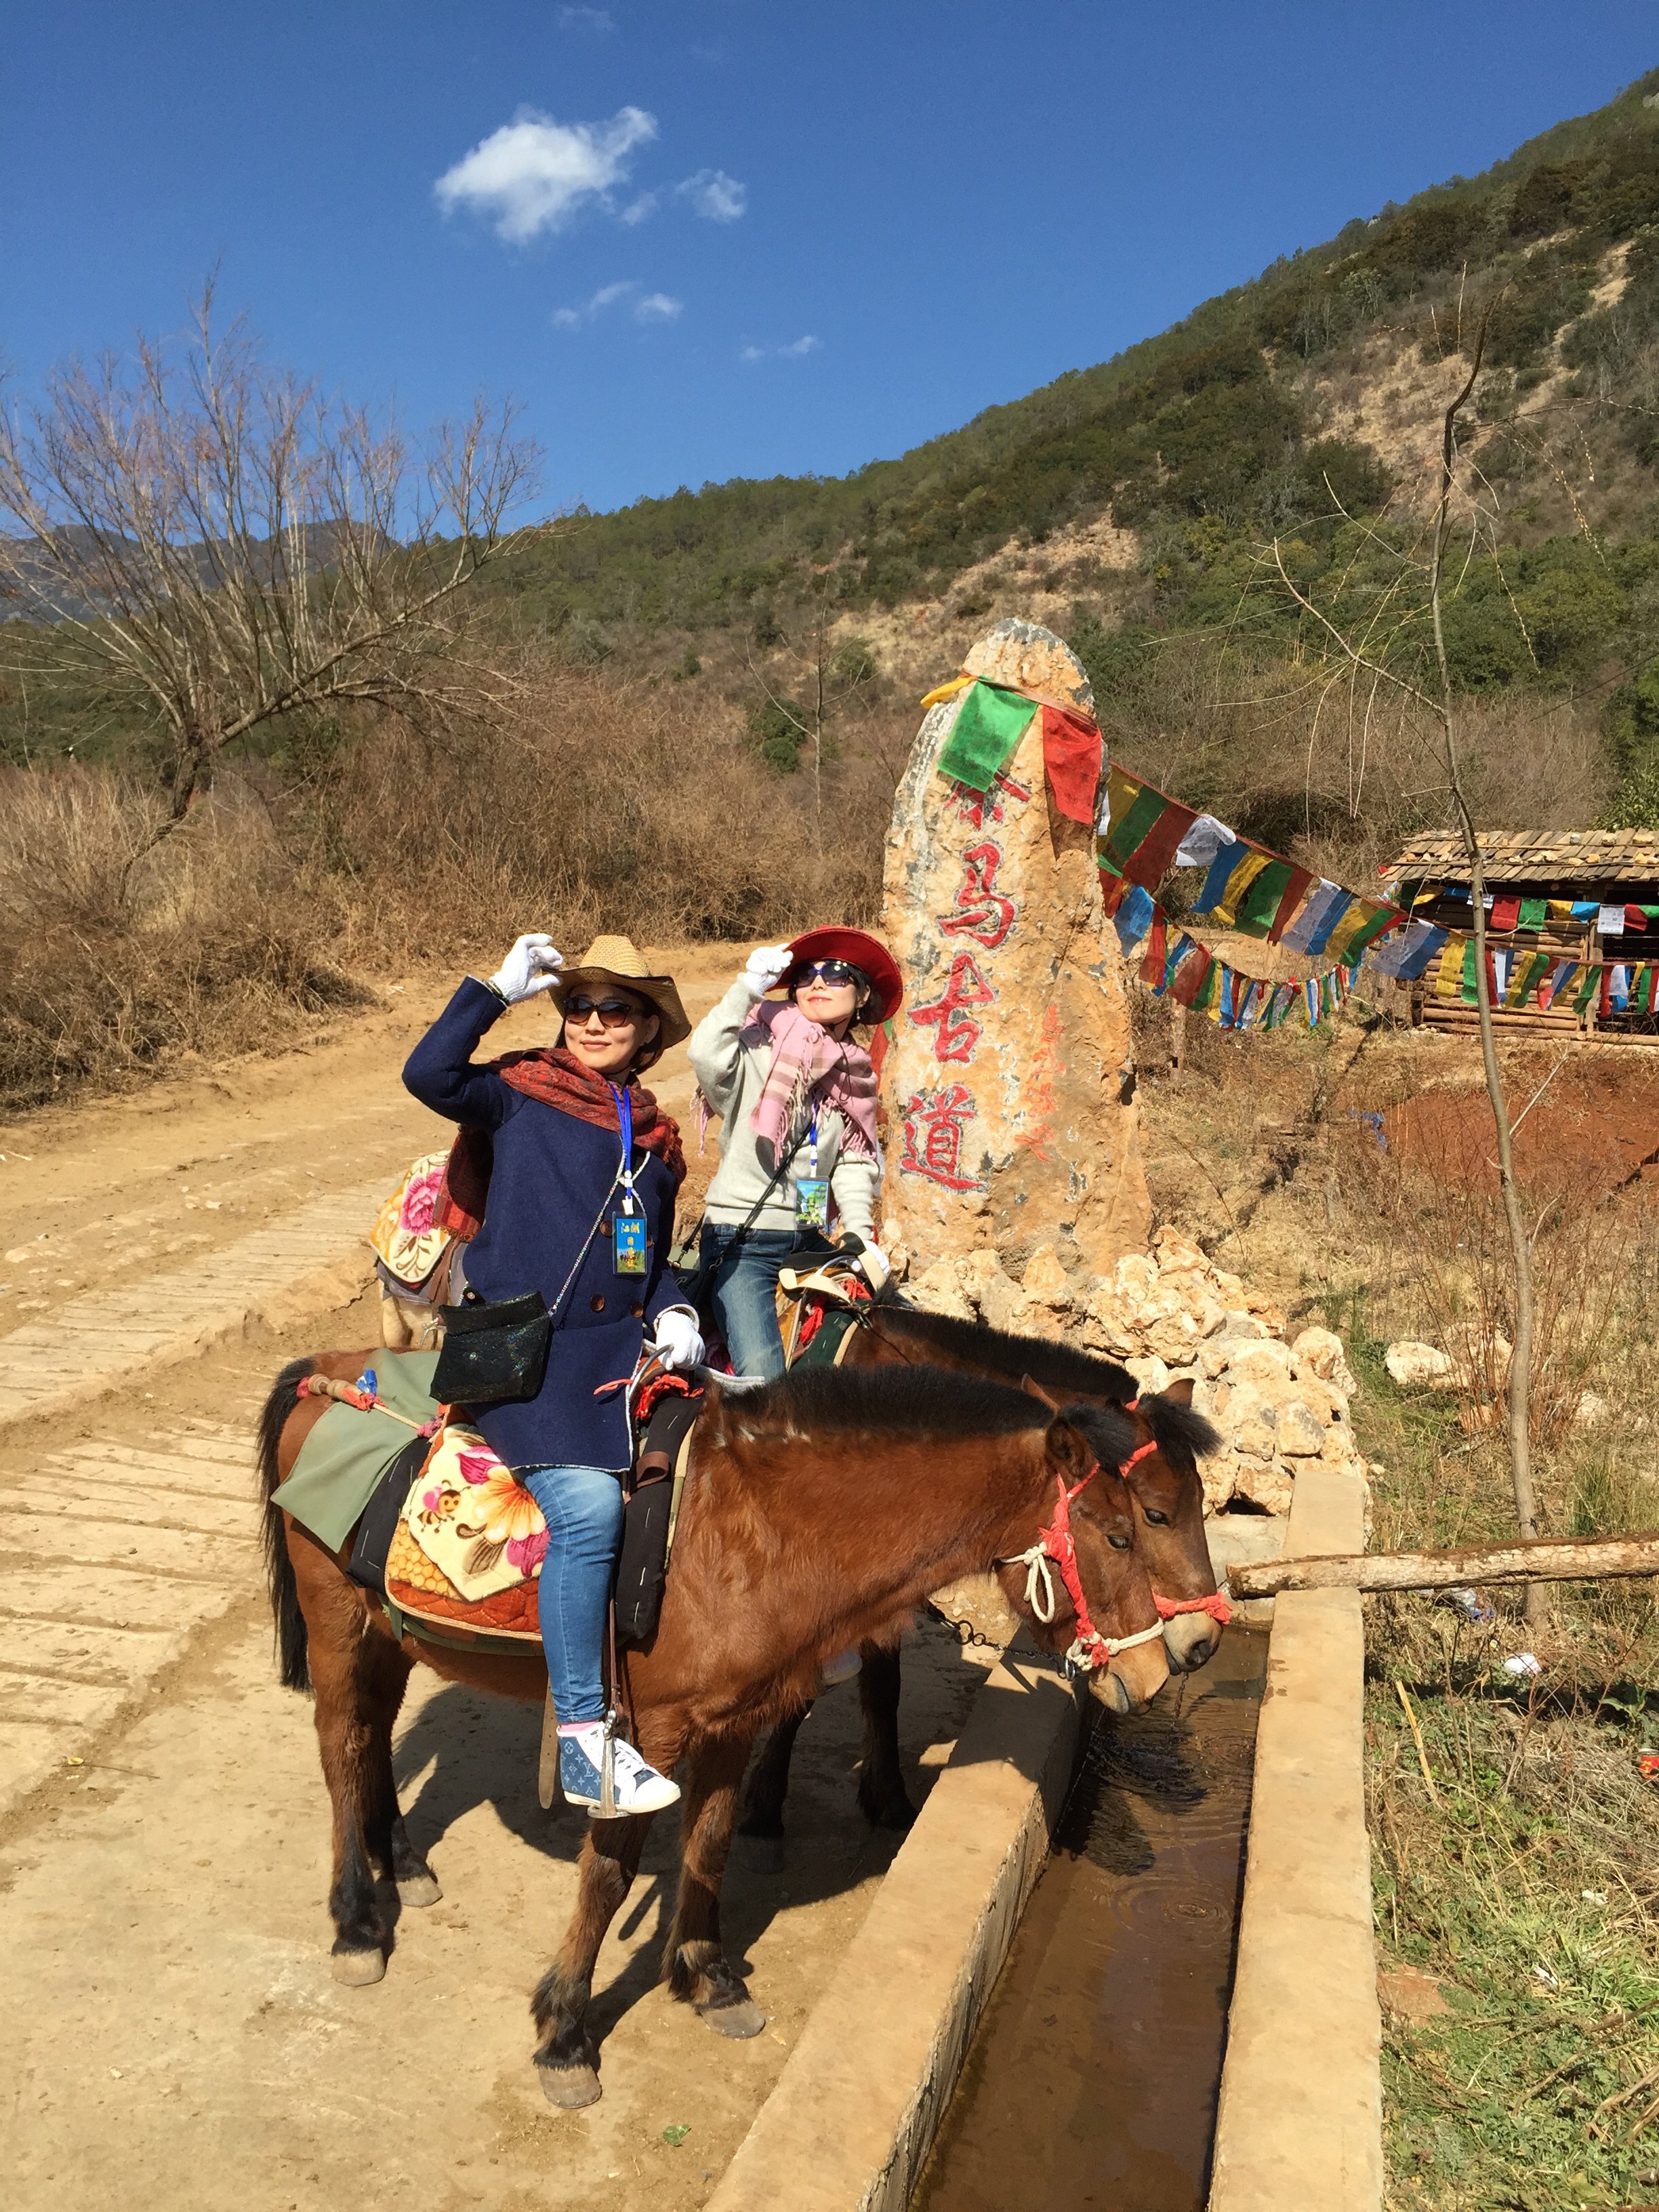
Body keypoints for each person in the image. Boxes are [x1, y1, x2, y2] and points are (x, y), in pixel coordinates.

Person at [403, 932, 703, 1816]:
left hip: (611, 1374)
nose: (595, 1021)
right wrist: (492, 993)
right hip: (520, 1370)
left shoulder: (652, 1144)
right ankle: (583, 1741)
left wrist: (676, 1309)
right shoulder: (520, 1093)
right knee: (588, 1509)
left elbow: (643, 1261)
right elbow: (429, 1074)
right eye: (580, 1004)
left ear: (647, 1030)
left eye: (617, 1008)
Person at [689, 926, 903, 1380]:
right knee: (764, 1380)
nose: (819, 982)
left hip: (808, 1236)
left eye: (837, 973)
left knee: (894, 1333)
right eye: (806, 974)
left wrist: (861, 1235)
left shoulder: (854, 1072)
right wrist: (746, 988)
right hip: (742, 1243)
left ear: (863, 995)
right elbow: (705, 1056)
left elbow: (851, 1158)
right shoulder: (760, 1045)